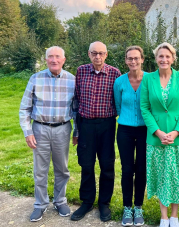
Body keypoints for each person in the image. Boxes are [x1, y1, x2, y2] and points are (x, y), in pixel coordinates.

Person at [140, 42, 179, 227]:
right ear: (156, 58)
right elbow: (145, 107)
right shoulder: (148, 79)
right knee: (161, 176)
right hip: (156, 138)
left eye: (167, 56)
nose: (164, 59)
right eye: (161, 56)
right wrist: (158, 133)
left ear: (173, 58)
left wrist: (175, 132)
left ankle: (174, 216)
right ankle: (163, 216)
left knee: (175, 176)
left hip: (178, 138)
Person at [19, 46, 76, 222]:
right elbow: (24, 108)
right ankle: (40, 204)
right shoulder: (35, 79)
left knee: (62, 169)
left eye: (57, 56)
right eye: (50, 57)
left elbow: (76, 109)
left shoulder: (72, 80)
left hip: (62, 128)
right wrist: (28, 132)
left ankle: (60, 201)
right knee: (40, 170)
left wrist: (77, 132)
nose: (54, 60)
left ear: (63, 60)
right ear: (46, 60)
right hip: (40, 129)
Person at [71, 41, 121, 222]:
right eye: (94, 53)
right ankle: (86, 201)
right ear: (89, 54)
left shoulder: (115, 73)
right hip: (86, 125)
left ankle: (104, 203)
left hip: (107, 124)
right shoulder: (81, 71)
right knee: (86, 164)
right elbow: (76, 101)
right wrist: (76, 130)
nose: (97, 57)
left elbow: (119, 100)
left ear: (106, 55)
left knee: (107, 165)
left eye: (101, 53)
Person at [113, 46, 147, 226]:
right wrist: (126, 118)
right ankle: (127, 207)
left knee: (141, 169)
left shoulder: (150, 79)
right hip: (125, 130)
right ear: (125, 61)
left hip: (145, 130)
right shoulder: (119, 82)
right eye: (129, 58)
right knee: (127, 169)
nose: (133, 62)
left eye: (136, 58)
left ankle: (138, 206)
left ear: (142, 59)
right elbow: (118, 106)